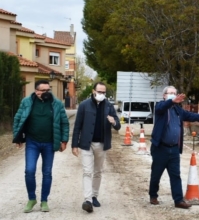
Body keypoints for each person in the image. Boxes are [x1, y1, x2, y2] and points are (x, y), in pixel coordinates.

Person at [149, 86, 199, 208]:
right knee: (156, 174)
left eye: (174, 94)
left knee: (176, 175)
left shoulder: (178, 110)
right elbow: (161, 108)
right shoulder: (160, 107)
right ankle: (153, 195)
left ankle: (178, 200)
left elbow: (191, 116)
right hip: (161, 148)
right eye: (170, 93)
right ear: (164, 96)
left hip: (174, 148)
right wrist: (171, 101)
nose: (173, 95)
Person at [12, 80, 69, 213]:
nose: (46, 93)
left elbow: (64, 123)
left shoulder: (57, 104)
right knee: (29, 170)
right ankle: (32, 199)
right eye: (43, 90)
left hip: (50, 142)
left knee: (47, 172)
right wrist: (17, 138)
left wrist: (64, 140)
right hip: (32, 142)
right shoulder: (27, 102)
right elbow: (18, 118)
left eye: (48, 90)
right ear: (36, 91)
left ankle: (44, 201)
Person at [71, 82, 121, 213]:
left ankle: (94, 196)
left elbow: (118, 126)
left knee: (98, 171)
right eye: (99, 92)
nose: (102, 94)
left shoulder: (109, 106)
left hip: (102, 143)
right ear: (94, 91)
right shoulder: (84, 105)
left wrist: (113, 121)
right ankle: (87, 200)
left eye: (104, 92)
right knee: (87, 171)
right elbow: (77, 126)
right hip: (86, 144)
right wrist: (74, 145)